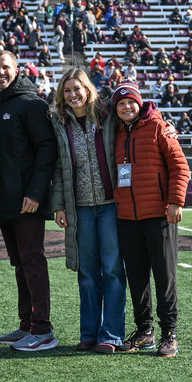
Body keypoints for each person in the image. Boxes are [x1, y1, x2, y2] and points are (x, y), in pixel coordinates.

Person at [0, 50, 58, 352]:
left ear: (17, 70)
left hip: (27, 201)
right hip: (4, 201)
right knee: (19, 263)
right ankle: (27, 324)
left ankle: (43, 330)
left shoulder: (32, 104)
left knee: (33, 261)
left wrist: (36, 193)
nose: (0, 72)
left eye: (6, 67)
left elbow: (46, 149)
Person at [49, 67, 125, 353]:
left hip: (109, 206)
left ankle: (112, 334)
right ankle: (89, 332)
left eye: (76, 89)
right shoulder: (59, 122)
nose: (72, 95)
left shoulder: (107, 116)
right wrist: (58, 205)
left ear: (87, 89)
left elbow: (135, 114)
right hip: (78, 207)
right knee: (87, 272)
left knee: (114, 270)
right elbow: (58, 167)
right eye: (67, 91)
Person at [111, 83, 190, 357]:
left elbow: (180, 165)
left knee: (165, 276)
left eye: (130, 102)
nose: (126, 107)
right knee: (136, 277)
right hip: (127, 218)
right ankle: (144, 331)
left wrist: (176, 201)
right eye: (120, 104)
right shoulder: (116, 132)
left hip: (158, 216)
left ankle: (170, 332)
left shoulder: (159, 128)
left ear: (139, 102)